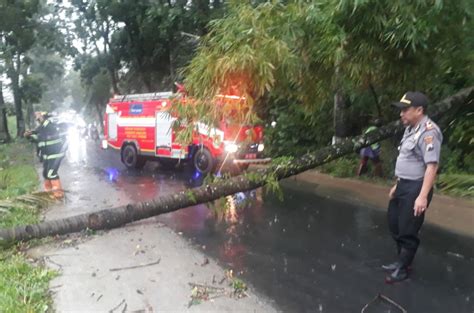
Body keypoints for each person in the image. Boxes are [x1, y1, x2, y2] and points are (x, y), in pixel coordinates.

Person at [382, 91, 443, 283]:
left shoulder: (429, 131)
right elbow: (408, 159)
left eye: (405, 110)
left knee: (408, 229)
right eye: (401, 110)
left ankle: (403, 268)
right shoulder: (411, 128)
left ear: (419, 110)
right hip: (403, 185)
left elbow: (431, 166)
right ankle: (402, 261)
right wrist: (397, 184)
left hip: (416, 188)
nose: (401, 114)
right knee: (395, 224)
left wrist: (422, 196)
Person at [25, 112, 67, 199]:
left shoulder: (50, 126)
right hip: (47, 156)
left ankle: (58, 195)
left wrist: (41, 119)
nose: (37, 120)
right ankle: (49, 194)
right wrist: (29, 136)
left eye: (38, 118)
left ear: (43, 118)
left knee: (51, 173)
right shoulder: (41, 128)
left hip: (55, 155)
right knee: (45, 174)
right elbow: (38, 139)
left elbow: (45, 131)